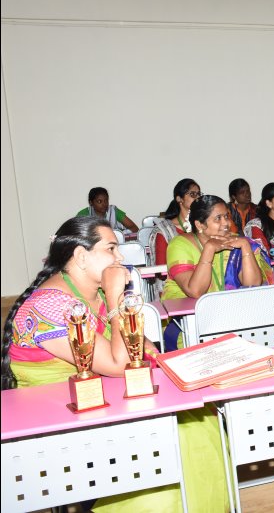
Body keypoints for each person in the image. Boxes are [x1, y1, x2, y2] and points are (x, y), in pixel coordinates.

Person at [0, 216, 228, 512]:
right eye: (111, 249)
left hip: (102, 403)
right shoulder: (50, 306)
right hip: (61, 419)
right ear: (81, 257)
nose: (120, 257)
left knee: (198, 419)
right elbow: (119, 363)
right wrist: (115, 296)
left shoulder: (91, 294)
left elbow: (138, 348)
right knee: (178, 435)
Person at [161, 194, 273, 301]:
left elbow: (252, 285)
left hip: (224, 307)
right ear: (200, 225)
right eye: (218, 218)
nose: (226, 223)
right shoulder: (179, 245)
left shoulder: (235, 242)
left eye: (226, 216)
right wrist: (209, 249)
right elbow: (195, 291)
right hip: (184, 310)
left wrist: (245, 246)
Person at [151, 178, 202, 266]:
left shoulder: (204, 225)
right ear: (179, 199)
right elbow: (161, 267)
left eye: (199, 194)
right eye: (193, 194)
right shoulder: (165, 231)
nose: (197, 198)